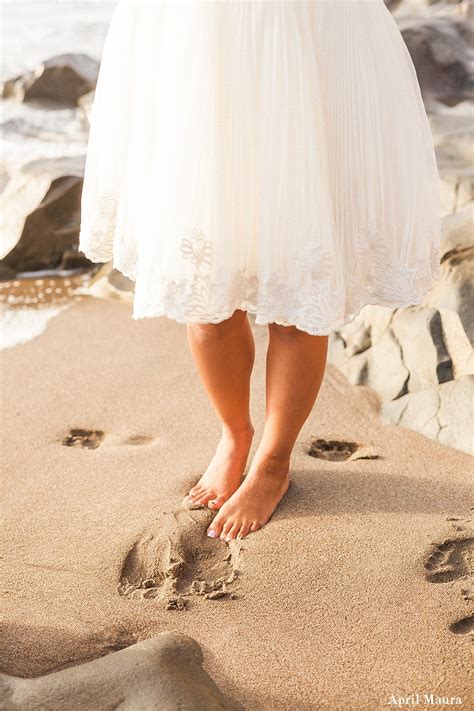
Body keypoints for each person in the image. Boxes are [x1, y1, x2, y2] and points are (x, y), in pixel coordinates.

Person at [79, 0, 441, 542]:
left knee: (299, 275)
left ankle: (272, 462)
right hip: (193, 36)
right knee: (205, 290)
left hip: (306, 29)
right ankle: (234, 434)